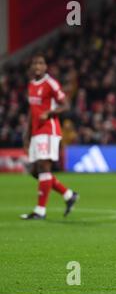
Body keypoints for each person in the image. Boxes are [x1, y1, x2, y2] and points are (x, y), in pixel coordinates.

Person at [21, 53, 79, 220]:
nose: (38, 66)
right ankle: (68, 194)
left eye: (41, 63)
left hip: (49, 130)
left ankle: (40, 210)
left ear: (45, 67)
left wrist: (50, 112)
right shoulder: (31, 85)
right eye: (35, 63)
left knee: (44, 168)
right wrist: (27, 135)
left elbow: (66, 104)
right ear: (32, 67)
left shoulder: (51, 84)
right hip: (36, 132)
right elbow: (32, 112)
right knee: (34, 171)